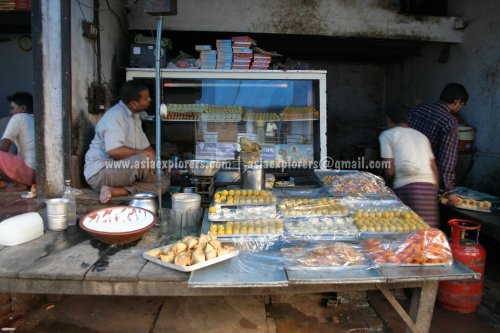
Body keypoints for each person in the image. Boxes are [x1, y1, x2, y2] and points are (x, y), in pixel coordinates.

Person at [84, 80, 169, 203]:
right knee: (145, 160)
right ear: (134, 104)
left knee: (163, 182)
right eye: (146, 98)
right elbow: (113, 151)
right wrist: (146, 156)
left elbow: (147, 148)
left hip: (122, 171)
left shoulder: (135, 117)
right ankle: (113, 188)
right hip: (101, 172)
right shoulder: (114, 116)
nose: (150, 100)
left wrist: (159, 163)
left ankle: (115, 191)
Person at [408, 83, 469, 206]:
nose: (460, 108)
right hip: (422, 177)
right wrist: (450, 191)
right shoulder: (449, 122)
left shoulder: (416, 110)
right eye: (461, 105)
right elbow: (447, 159)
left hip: (402, 169)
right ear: (457, 102)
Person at [379, 105, 440, 228]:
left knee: (405, 232)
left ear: (388, 120)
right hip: (429, 188)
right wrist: (434, 192)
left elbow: (389, 170)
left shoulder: (387, 135)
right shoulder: (421, 136)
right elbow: (434, 170)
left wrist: (387, 189)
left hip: (407, 188)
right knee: (428, 234)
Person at [0, 92, 35, 191]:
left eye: (12, 108)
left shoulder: (18, 117)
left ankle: (17, 184)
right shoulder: (39, 119)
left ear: (23, 108)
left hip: (28, 172)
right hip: (42, 175)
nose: (11, 112)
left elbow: (3, 148)